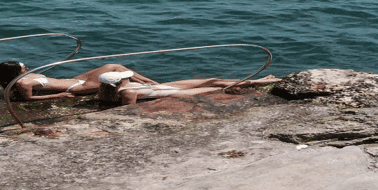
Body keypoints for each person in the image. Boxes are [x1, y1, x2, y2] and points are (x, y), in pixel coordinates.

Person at [0, 61, 159, 101]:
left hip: (74, 80)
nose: (25, 67)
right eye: (22, 67)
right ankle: (153, 85)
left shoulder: (23, 78)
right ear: (15, 72)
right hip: (75, 87)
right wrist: (60, 96)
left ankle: (151, 84)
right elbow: (28, 99)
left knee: (115, 66)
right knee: (114, 68)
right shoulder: (23, 83)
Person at [97, 70, 281, 105]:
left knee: (213, 79)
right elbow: (131, 109)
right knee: (215, 87)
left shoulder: (108, 89)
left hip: (164, 87)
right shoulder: (128, 91)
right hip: (173, 94)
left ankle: (260, 80)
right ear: (119, 82)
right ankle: (262, 81)